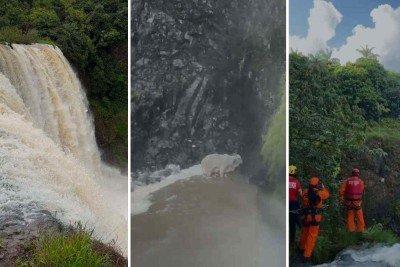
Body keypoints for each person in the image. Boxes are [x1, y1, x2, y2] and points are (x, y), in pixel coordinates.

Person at [299, 177, 330, 263]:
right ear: (317, 184)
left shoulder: (305, 192)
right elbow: (327, 194)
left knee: (304, 232)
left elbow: (302, 196)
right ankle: (307, 256)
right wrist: (323, 187)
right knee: (311, 236)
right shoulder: (320, 193)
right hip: (315, 217)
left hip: (305, 216)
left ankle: (301, 248)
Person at [339, 168, 365, 233]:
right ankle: (361, 230)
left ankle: (351, 230)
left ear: (352, 173)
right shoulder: (361, 182)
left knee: (350, 216)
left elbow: (341, 190)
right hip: (357, 202)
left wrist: (341, 198)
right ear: (358, 174)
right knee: (359, 216)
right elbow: (361, 189)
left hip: (349, 202)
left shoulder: (347, 181)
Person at [289, 165, 302, 244]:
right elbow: (300, 193)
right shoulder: (296, 182)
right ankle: (292, 240)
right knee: (292, 222)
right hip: (293, 203)